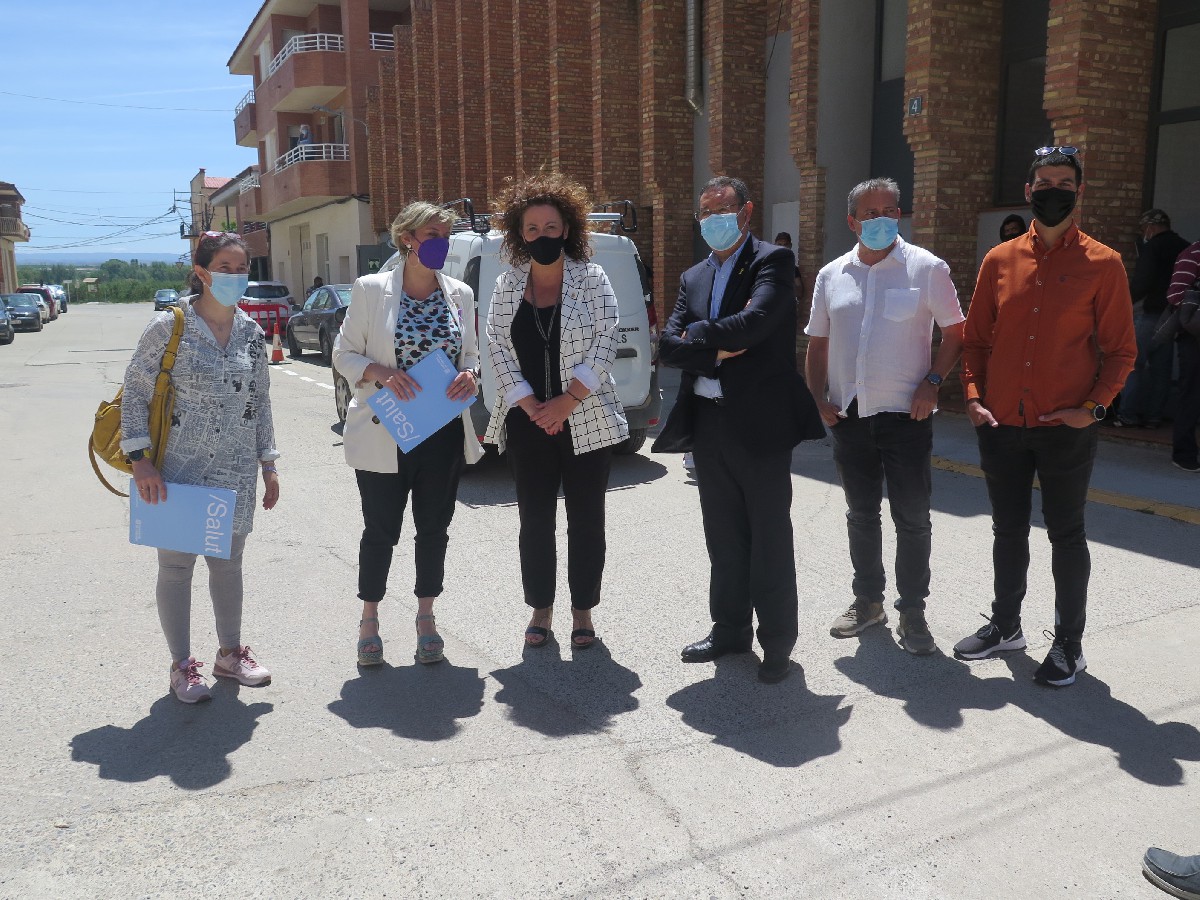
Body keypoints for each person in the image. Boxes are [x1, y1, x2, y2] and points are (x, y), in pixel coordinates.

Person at [954, 147, 1136, 686]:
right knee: (1008, 530)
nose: (1053, 191)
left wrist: (1093, 408)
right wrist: (973, 397)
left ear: (1079, 192)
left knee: (1066, 534)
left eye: (1064, 183)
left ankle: (1069, 645)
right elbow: (975, 340)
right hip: (1002, 423)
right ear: (1029, 191)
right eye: (1044, 183)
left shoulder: (1104, 264)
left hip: (1065, 429)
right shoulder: (999, 259)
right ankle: (1006, 625)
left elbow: (1121, 351)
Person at [653, 175, 824, 684]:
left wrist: (698, 336)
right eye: (704, 212)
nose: (712, 220)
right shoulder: (693, 277)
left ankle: (777, 642)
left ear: (746, 212)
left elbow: (757, 323)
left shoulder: (772, 261)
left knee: (768, 537)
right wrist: (715, 349)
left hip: (761, 424)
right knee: (723, 536)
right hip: (709, 423)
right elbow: (667, 346)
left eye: (722, 209)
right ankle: (729, 629)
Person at [805, 177, 965, 655]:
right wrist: (817, 398)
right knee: (861, 515)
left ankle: (913, 611)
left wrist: (932, 383)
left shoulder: (927, 268)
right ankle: (868, 602)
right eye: (871, 213)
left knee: (913, 518)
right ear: (852, 221)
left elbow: (956, 333)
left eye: (891, 211)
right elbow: (818, 344)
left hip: (906, 417)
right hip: (849, 416)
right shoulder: (832, 275)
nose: (882, 220)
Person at [122, 231, 280, 704]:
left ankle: (230, 654)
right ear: (202, 273)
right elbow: (135, 393)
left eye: (242, 268)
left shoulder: (251, 334)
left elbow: (261, 401)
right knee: (176, 568)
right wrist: (140, 461)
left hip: (235, 470)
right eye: (225, 268)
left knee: (228, 565)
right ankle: (181, 665)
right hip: (177, 470)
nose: (235, 276)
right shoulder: (169, 326)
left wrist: (268, 463)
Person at [333, 202, 482, 667]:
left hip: (441, 431)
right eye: (432, 234)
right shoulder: (371, 289)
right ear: (407, 239)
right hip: (387, 429)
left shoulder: (460, 294)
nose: (441, 242)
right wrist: (380, 372)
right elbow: (343, 353)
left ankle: (426, 618)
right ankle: (369, 621)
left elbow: (471, 355)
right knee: (380, 530)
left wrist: (471, 375)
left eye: (446, 235)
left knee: (434, 529)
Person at [484, 171, 628, 649]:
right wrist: (530, 404)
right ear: (519, 234)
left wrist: (568, 401)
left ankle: (583, 611)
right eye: (532, 228)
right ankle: (540, 608)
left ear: (567, 229)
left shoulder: (593, 278)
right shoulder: (507, 284)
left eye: (550, 227)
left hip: (585, 416)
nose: (542, 235)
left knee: (587, 520)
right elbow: (497, 346)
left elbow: (607, 338)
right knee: (535, 521)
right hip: (527, 422)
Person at [1112, 209, 1190, 428]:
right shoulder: (1185, 246)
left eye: (1143, 228)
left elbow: (1142, 282)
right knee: (1161, 370)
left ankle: (1127, 414)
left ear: (1151, 227)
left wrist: (1123, 303)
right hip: (1172, 316)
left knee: (1133, 364)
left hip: (1150, 313)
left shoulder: (1152, 248)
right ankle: (1154, 416)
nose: (1143, 233)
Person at [1167, 239, 1200, 472]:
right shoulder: (1193, 253)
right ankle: (1184, 453)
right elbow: (1176, 295)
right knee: (1191, 394)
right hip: (1194, 338)